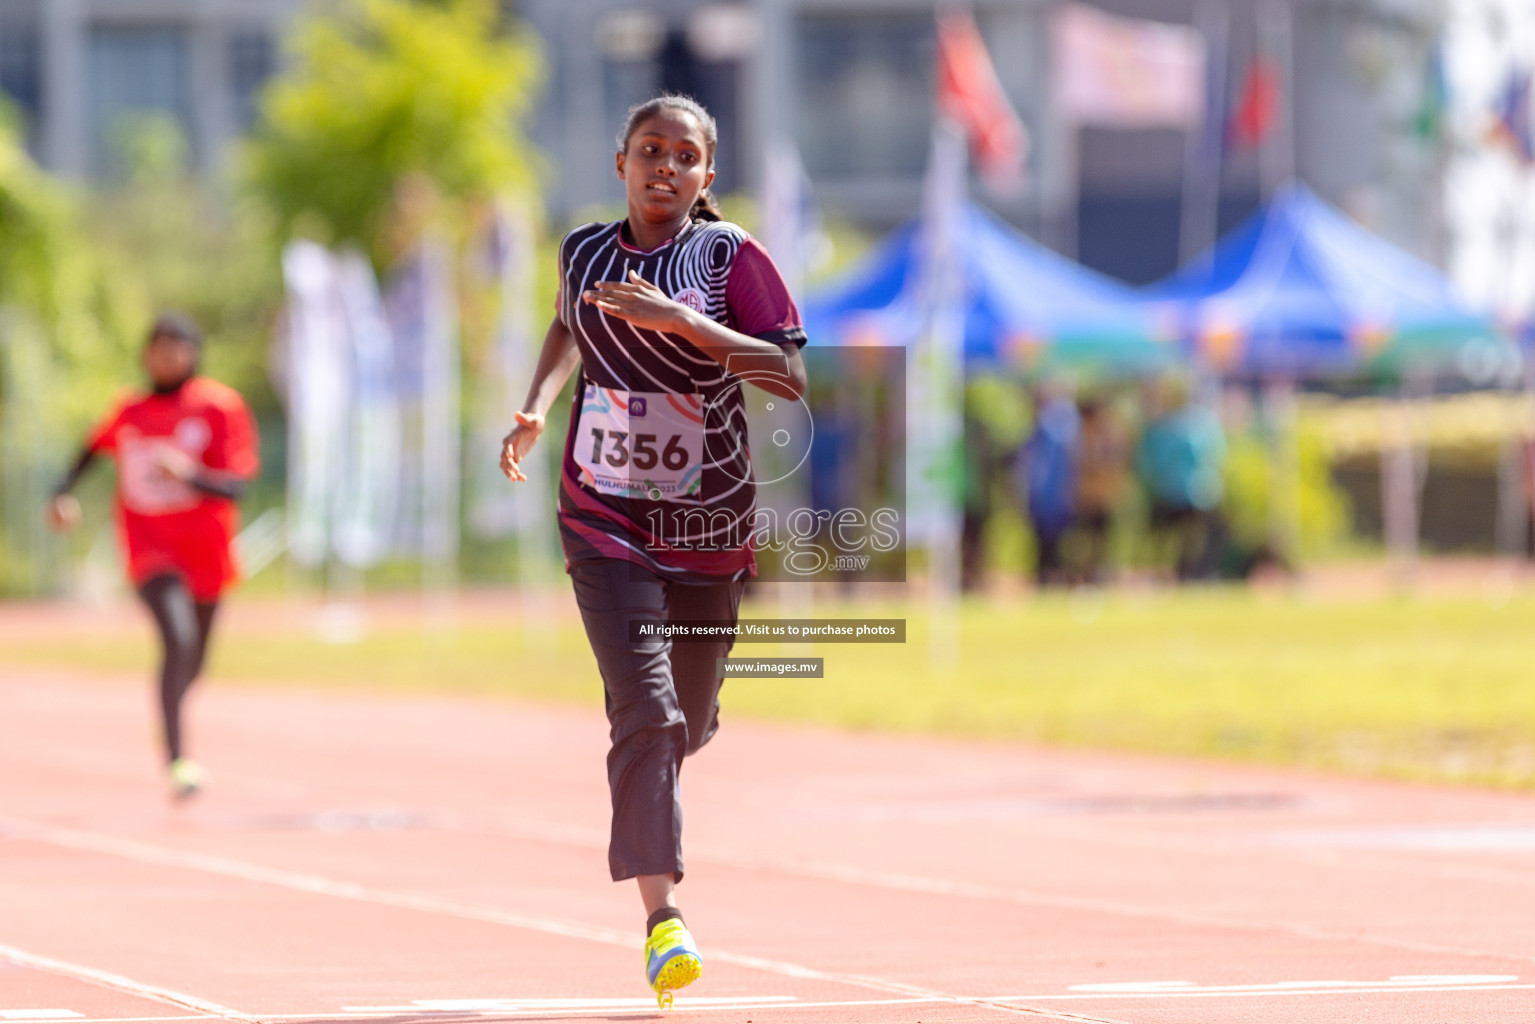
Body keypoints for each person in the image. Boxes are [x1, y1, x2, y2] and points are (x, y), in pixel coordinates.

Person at [499, 94, 807, 1007]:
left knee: (685, 721)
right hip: (603, 514)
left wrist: (688, 327)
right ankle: (661, 920)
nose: (662, 167)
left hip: (706, 524)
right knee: (642, 711)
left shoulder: (728, 257)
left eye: (682, 156)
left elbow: (788, 374)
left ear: (706, 175)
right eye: (647, 151)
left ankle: (668, 740)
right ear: (621, 162)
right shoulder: (584, 250)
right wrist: (538, 402)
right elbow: (566, 321)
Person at [47, 313, 260, 799]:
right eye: (158, 348)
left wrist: (190, 474)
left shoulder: (219, 407)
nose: (166, 357)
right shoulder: (131, 411)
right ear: (146, 355)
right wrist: (61, 492)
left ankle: (169, 716)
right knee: (177, 637)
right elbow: (90, 449)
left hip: (206, 552)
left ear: (193, 353)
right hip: (150, 548)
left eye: (176, 347)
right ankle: (178, 761)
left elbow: (238, 486)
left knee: (196, 658)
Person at [1136, 378, 1226, 582]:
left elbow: (1147, 464)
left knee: (1174, 536)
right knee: (1211, 533)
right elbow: (1213, 458)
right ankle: (1198, 570)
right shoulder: (1202, 424)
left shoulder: (1160, 427)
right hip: (1196, 495)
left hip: (1167, 494)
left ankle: (1180, 569)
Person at [1016, 385, 1079, 588]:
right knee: (1043, 544)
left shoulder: (1054, 427)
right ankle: (1046, 579)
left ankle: (1051, 579)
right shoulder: (1038, 430)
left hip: (1052, 498)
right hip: (1043, 498)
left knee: (1054, 543)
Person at [1073, 396, 1129, 584]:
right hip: (1089, 496)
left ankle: (1099, 571)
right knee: (1089, 538)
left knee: (1102, 538)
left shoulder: (1105, 434)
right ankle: (1090, 571)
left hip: (1103, 495)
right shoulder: (1083, 434)